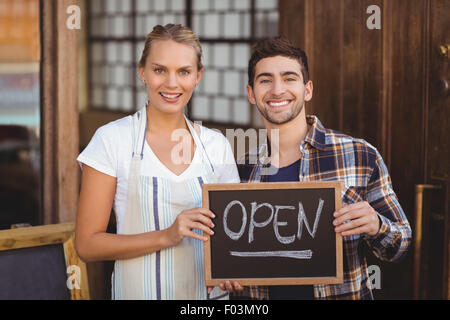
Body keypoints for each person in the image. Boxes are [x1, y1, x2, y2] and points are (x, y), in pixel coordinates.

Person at [230, 37, 412, 300]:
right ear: (251, 93)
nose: (277, 89)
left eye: (289, 78)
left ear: (308, 90)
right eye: (265, 80)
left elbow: (400, 245)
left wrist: (376, 225)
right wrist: (229, 272)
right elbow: (231, 256)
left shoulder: (360, 155)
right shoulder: (240, 170)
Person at [75, 24, 240, 300]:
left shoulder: (216, 145)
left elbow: (233, 236)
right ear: (142, 72)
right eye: (159, 70)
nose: (172, 83)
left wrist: (235, 269)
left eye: (184, 72)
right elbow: (87, 244)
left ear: (198, 76)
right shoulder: (112, 140)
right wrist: (167, 235)